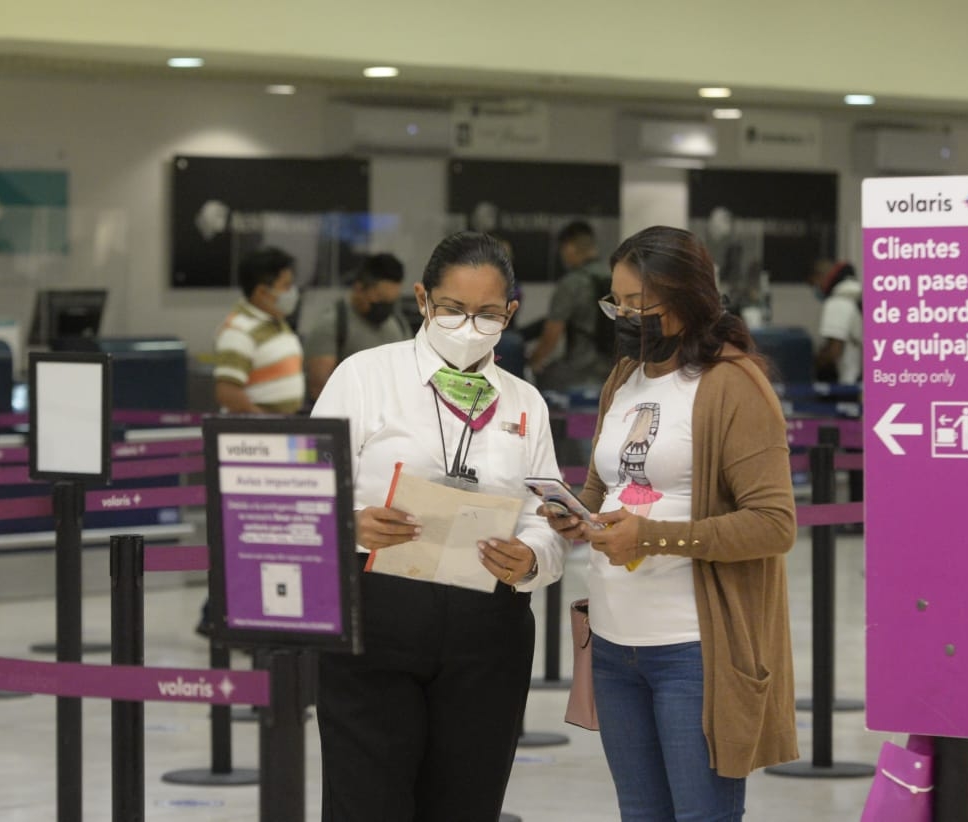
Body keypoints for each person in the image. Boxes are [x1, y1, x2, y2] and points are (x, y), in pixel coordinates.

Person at [543, 225, 798, 821]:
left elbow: (773, 523)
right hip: (612, 642)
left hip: (694, 650)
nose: (627, 318)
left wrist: (652, 536)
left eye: (640, 305)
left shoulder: (732, 384)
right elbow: (601, 488)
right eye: (617, 303)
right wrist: (575, 515)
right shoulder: (624, 378)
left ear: (686, 301)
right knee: (641, 814)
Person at [310, 231, 566, 822]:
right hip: (377, 612)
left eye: (487, 313)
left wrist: (533, 557)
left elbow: (544, 514)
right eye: (452, 309)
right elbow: (308, 494)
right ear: (423, 300)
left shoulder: (525, 401)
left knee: (467, 801)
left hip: (489, 626)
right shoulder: (366, 375)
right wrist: (353, 524)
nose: (467, 324)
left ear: (511, 313)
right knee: (365, 800)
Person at [302, 252, 411, 401]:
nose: (385, 307)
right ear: (359, 289)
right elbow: (319, 388)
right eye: (379, 298)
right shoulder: (331, 326)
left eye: (391, 301)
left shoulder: (398, 324)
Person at [212, 246, 306, 414]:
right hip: (255, 434)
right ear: (262, 291)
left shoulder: (277, 322)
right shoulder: (239, 331)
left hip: (282, 428)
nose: (292, 292)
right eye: (286, 286)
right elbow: (227, 391)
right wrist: (265, 423)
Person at [529, 220, 613, 392]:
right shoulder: (615, 277)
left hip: (581, 371)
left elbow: (550, 338)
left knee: (541, 378)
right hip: (616, 371)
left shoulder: (571, 283)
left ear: (569, 248)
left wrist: (532, 362)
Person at [808, 259, 863, 386]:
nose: (816, 289)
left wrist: (813, 364)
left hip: (850, 383)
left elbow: (834, 351)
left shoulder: (838, 302)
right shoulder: (856, 293)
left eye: (814, 284)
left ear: (819, 277)